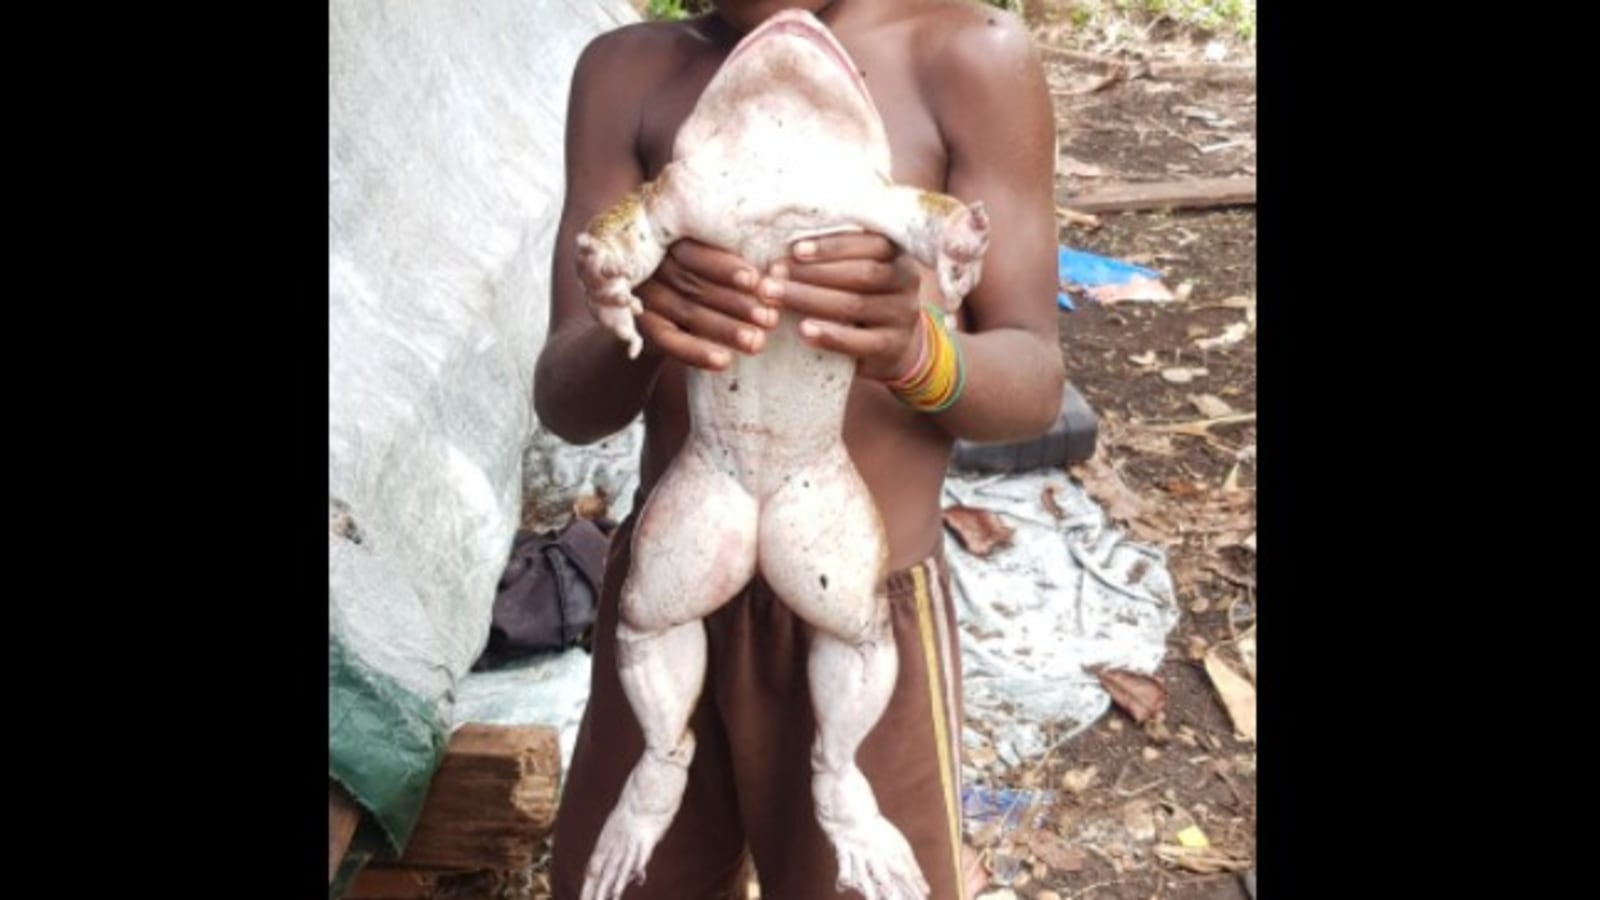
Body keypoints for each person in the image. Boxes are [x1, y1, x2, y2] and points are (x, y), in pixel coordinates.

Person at [534, 1, 1064, 897]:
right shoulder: (628, 73)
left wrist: (913, 348)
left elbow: (1032, 380)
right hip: (670, 597)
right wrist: (647, 323)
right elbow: (566, 400)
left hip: (859, 605)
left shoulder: (968, 57)